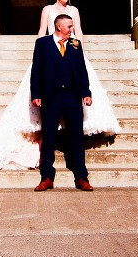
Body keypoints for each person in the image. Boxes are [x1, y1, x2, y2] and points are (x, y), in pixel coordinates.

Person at [0, 0, 119, 173]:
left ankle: (79, 162)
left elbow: (78, 32)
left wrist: (81, 54)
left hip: (72, 54)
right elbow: (41, 31)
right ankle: (45, 157)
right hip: (51, 56)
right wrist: (39, 52)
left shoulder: (74, 10)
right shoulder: (47, 10)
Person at [30, 14, 94, 191]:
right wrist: (35, 93)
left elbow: (82, 70)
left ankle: (81, 177)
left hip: (72, 97)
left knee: (76, 137)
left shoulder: (75, 45)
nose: (71, 29)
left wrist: (86, 93)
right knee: (49, 137)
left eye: (72, 26)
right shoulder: (42, 44)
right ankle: (47, 177)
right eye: (69, 26)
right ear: (59, 27)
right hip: (51, 97)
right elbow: (36, 70)